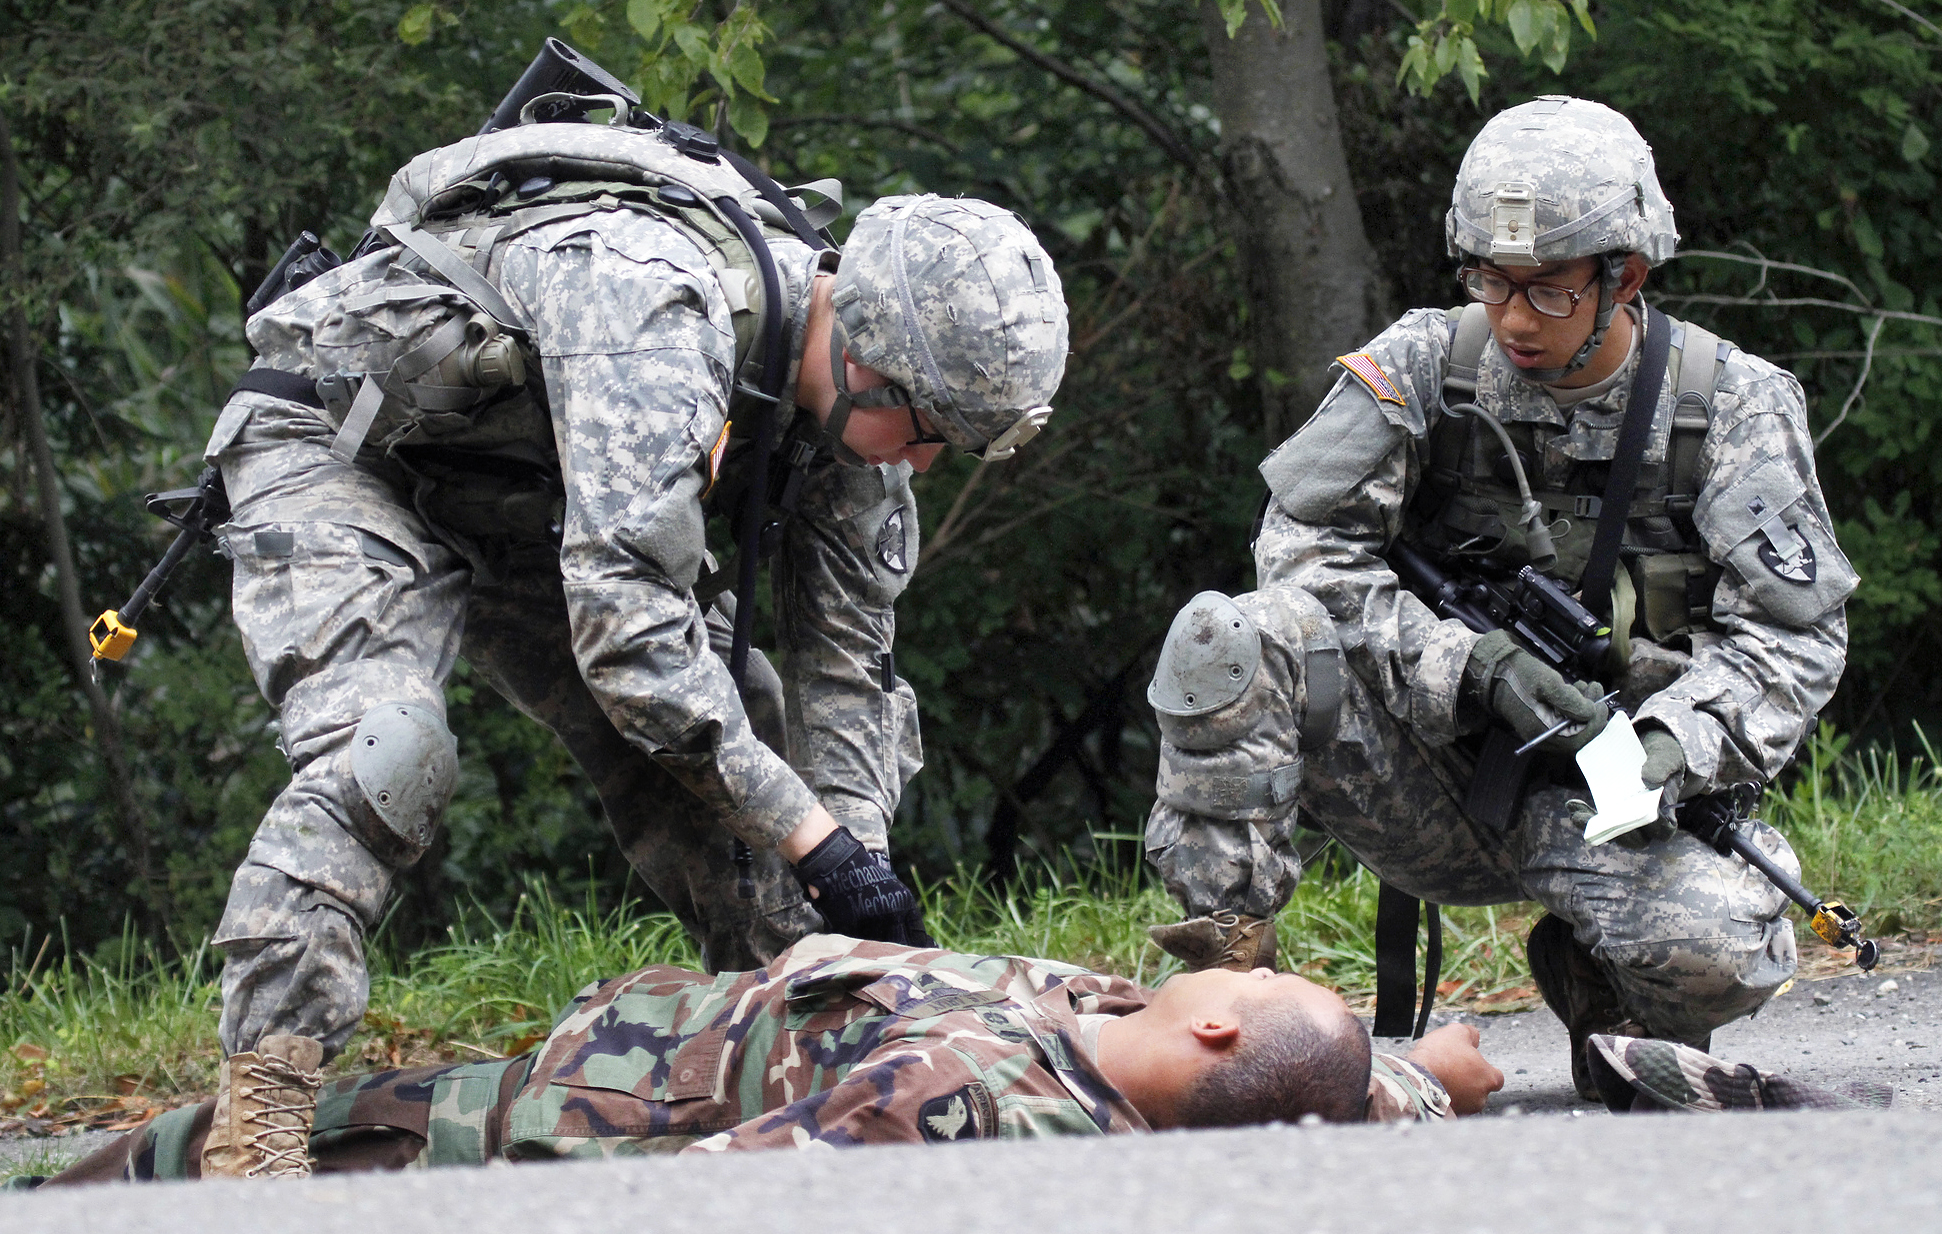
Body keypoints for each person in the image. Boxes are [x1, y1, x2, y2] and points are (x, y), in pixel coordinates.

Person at [197, 110, 1069, 1177]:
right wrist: (815, 836)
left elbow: (845, 665)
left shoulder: (861, 430)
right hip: (350, 452)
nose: (925, 463)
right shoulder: (652, 304)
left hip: (531, 505)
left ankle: (805, 1065)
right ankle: (262, 1113)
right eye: (928, 429)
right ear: (863, 352)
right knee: (389, 751)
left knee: (752, 752)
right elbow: (632, 642)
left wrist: (859, 871)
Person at [1142, 96, 1854, 1101]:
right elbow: (1300, 557)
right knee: (1234, 635)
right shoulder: (1421, 366)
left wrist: (1671, 744)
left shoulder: (1730, 405)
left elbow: (1793, 638)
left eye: (1547, 289)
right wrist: (1466, 663)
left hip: (1604, 793)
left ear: (1626, 277)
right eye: (1490, 279)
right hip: (1420, 773)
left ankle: (1600, 982)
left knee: (1721, 945)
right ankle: (1229, 994)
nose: (1512, 315)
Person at [36, 936, 1495, 1185]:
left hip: (515, 1127)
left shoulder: (958, 1107)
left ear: (1219, 1023)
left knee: (143, 1171)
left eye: (1245, 971)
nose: (1229, 957)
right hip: (599, 1046)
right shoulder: (1250, 1079)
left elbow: (698, 1192)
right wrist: (1440, 1065)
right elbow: (1352, 1087)